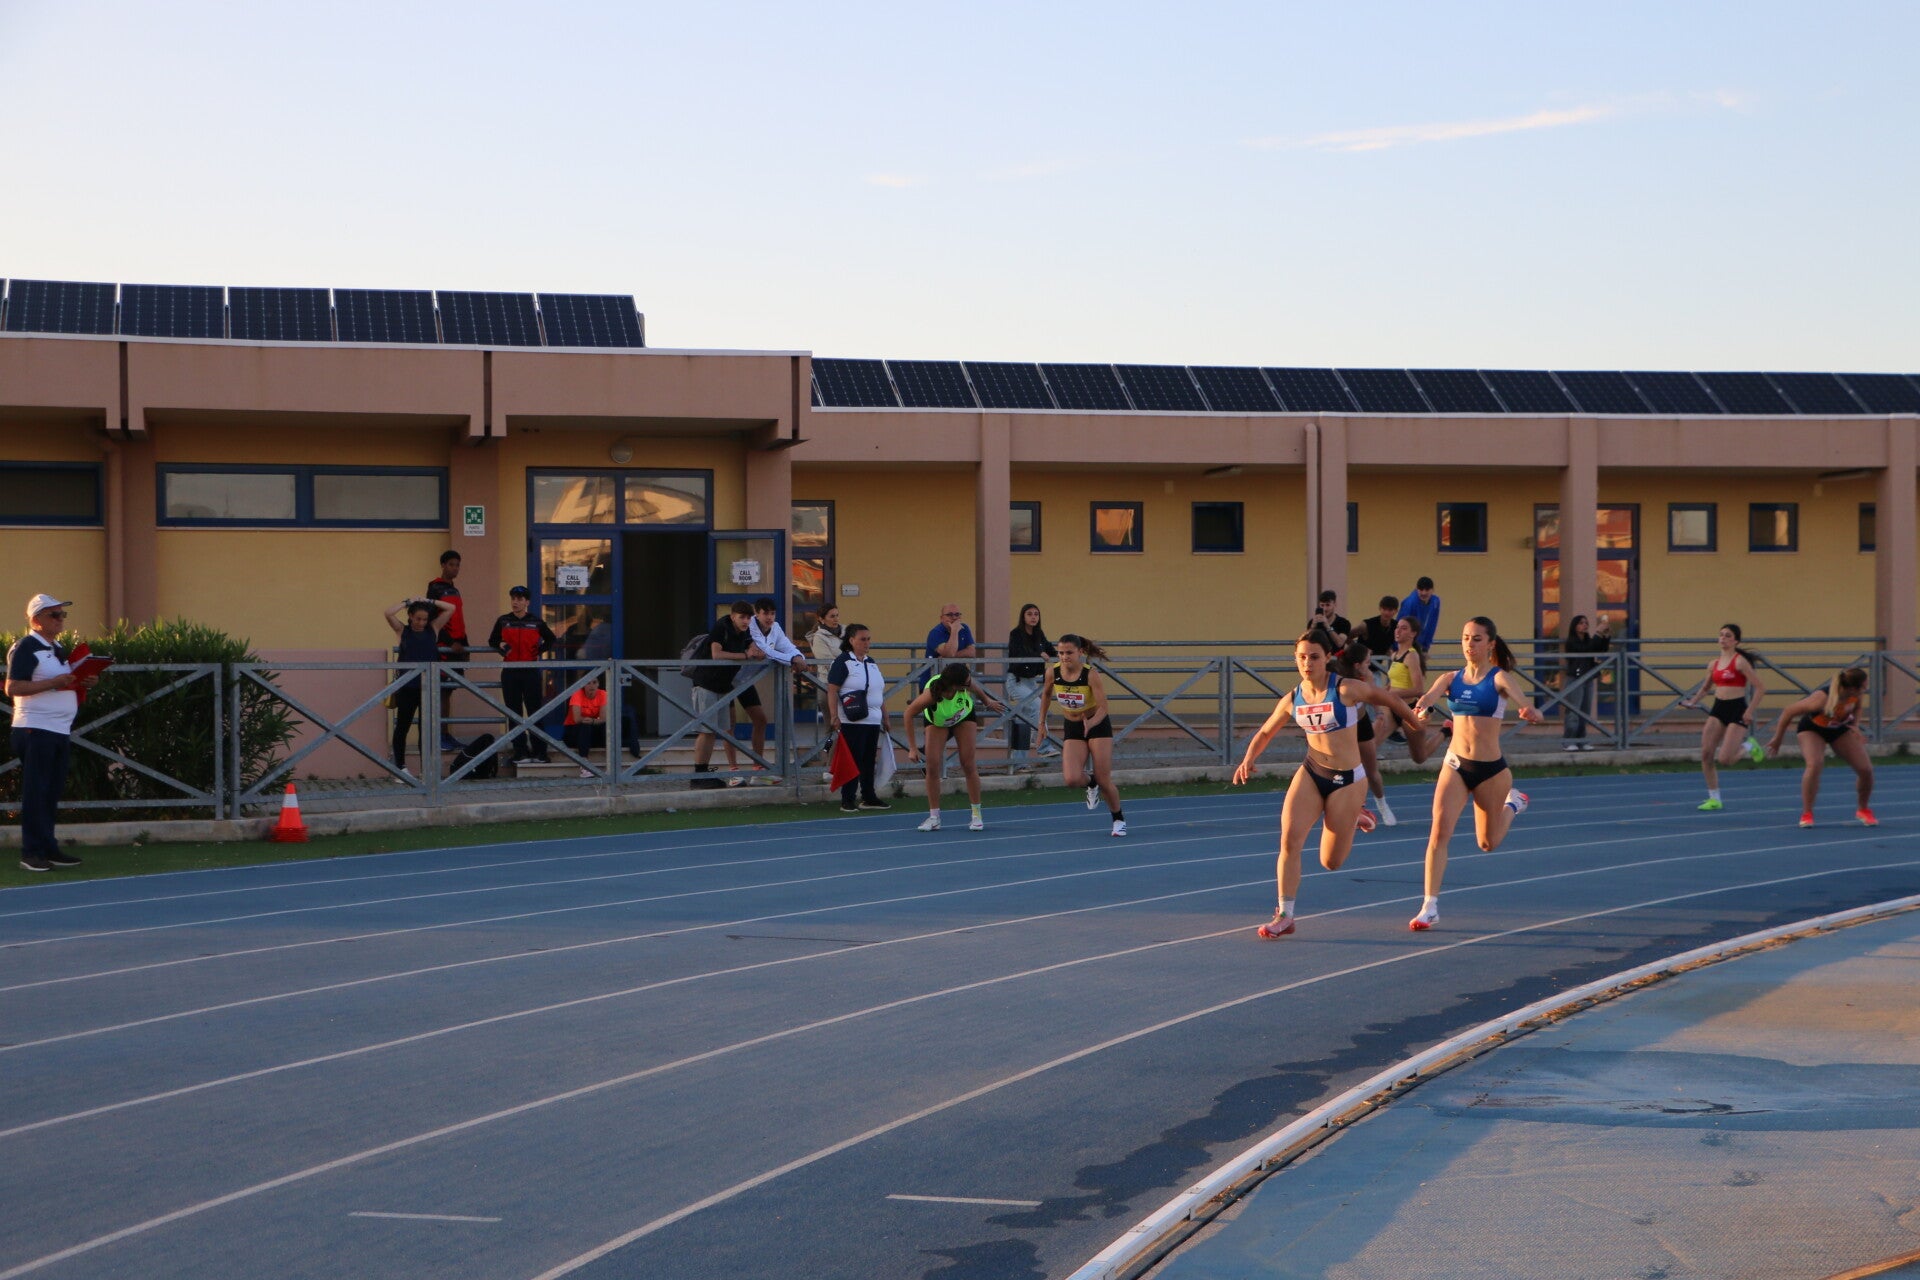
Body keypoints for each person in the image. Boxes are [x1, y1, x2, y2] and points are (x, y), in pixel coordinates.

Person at [1232, 628, 1410, 938]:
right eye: (1301, 657)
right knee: (1289, 841)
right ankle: (1285, 914)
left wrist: (1415, 721)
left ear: (1327, 657)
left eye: (1314, 657)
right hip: (1313, 772)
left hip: (1348, 780)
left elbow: (1386, 697)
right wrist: (1248, 758)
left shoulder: (1345, 688)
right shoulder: (1293, 697)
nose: (1307, 663)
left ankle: (1354, 814)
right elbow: (1266, 731)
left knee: (1331, 862)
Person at [1407, 616, 1547, 931]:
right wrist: (1421, 710)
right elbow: (1427, 698)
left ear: (1490, 644)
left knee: (1487, 843)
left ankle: (1514, 803)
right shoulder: (1450, 678)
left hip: (1491, 771)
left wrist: (1530, 711)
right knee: (1438, 833)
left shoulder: (1499, 678)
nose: (1470, 644)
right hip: (1456, 765)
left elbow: (1524, 703)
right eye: (1466, 638)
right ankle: (1429, 906)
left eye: (1477, 639)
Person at [7, 594, 98, 872]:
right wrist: (53, 683)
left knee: (51, 792)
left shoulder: (56, 648)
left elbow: (63, 682)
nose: (60, 620)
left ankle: (48, 847)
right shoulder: (26, 647)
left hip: (58, 729)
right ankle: (31, 852)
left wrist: (84, 680)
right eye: (54, 615)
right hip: (35, 728)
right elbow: (13, 687)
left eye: (62, 615)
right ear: (36, 620)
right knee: (36, 792)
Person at [1764, 667, 1875, 828]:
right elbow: (1789, 711)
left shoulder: (1856, 694)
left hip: (1838, 729)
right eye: (1863, 687)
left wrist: (1855, 725)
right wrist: (1778, 738)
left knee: (1865, 769)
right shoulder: (1821, 699)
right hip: (1813, 729)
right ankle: (1807, 813)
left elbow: (1857, 708)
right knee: (1815, 764)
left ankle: (1863, 809)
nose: (1865, 690)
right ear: (1852, 688)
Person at [1039, 634, 1127, 836]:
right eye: (1061, 653)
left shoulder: (1090, 674)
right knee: (1071, 779)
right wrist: (1041, 723)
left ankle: (1118, 819)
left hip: (1097, 725)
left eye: (1069, 653)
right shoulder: (1052, 672)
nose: (1064, 657)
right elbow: (1046, 694)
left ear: (1080, 652)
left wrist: (1092, 723)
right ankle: (1091, 782)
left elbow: (1103, 707)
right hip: (1072, 726)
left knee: (1105, 779)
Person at [1677, 623, 1767, 811]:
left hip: (1737, 709)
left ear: (1736, 641)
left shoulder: (1740, 662)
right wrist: (1692, 702)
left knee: (1726, 760)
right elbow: (1705, 688)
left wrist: (1749, 711)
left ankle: (1750, 745)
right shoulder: (1713, 664)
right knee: (1706, 754)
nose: (1723, 638)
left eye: (1728, 635)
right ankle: (1714, 798)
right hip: (1718, 709)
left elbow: (1760, 688)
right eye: (1721, 635)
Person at [904, 662, 1002, 831]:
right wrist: (912, 748)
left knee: (968, 763)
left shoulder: (966, 683)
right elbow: (908, 714)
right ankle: (934, 817)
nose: (970, 681)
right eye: (967, 680)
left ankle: (976, 815)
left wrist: (987, 701)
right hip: (938, 721)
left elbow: (976, 687)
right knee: (932, 766)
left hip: (963, 716)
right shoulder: (931, 695)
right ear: (955, 685)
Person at [689, 601, 769, 787]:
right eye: (742, 617)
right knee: (707, 730)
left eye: (748, 618)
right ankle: (700, 775)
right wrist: (746, 655)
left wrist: (758, 652)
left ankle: (703, 774)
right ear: (733, 616)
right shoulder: (722, 627)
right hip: (707, 683)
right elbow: (716, 654)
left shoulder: (748, 631)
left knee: (715, 730)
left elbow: (756, 649)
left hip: (725, 685)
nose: (746, 621)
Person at [384, 595, 456, 779]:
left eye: (424, 619)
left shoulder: (433, 628)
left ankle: (426, 770)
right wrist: (406, 602)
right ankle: (400, 769)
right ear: (410, 616)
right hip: (407, 687)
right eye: (418, 619)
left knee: (426, 730)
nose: (421, 623)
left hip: (428, 689)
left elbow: (451, 608)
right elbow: (388, 613)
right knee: (403, 727)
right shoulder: (403, 630)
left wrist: (429, 601)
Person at [826, 623, 892, 812]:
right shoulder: (843, 662)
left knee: (868, 760)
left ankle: (868, 796)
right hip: (853, 720)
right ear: (851, 640)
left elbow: (878, 693)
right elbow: (832, 690)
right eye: (862, 639)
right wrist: (834, 716)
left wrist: (885, 717)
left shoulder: (871, 662)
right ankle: (847, 798)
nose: (866, 643)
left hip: (873, 720)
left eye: (868, 639)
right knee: (852, 760)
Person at [488, 586, 557, 765]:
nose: (515, 602)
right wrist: (500, 645)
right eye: (513, 598)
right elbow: (492, 640)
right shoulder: (503, 620)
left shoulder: (536, 622)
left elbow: (551, 639)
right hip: (510, 671)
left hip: (530, 671)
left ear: (527, 602)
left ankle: (540, 752)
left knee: (535, 711)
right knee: (514, 713)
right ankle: (520, 751)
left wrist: (538, 650)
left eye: (519, 599)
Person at [426, 550, 470, 751]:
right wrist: (449, 642)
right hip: (443, 649)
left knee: (448, 692)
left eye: (458, 565)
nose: (455, 568)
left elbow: (459, 619)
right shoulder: (434, 588)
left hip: (457, 649)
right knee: (440, 692)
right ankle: (437, 736)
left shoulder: (456, 590)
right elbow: (432, 620)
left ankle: (445, 734)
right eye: (451, 564)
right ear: (443, 565)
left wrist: (465, 645)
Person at [1005, 603, 1058, 764]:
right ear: (1023, 616)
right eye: (1029, 614)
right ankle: (1043, 747)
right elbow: (1018, 653)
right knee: (1039, 708)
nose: (1033, 617)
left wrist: (1064, 655)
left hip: (1031, 681)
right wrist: (1039, 654)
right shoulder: (1016, 634)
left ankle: (1019, 763)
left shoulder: (1039, 634)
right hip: (1016, 681)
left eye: (1036, 614)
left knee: (1025, 720)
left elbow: (1051, 650)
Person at [1559, 613, 1613, 751]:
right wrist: (1598, 633)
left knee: (1585, 711)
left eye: (1586, 623)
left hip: (1588, 677)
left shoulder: (1588, 640)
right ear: (1574, 626)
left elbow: (1601, 649)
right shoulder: (1571, 641)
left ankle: (1581, 740)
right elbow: (1585, 650)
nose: (1584, 625)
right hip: (1575, 678)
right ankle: (1568, 741)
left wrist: (1606, 636)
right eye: (1581, 623)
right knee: (1573, 711)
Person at [565, 674, 610, 777]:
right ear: (583, 685)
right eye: (588, 683)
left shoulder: (603, 694)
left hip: (591, 732)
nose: (591, 686)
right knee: (585, 725)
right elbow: (577, 719)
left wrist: (593, 721)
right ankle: (584, 766)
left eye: (594, 682)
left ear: (598, 684)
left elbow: (603, 718)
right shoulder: (577, 694)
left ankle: (611, 765)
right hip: (572, 733)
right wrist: (593, 721)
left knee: (607, 726)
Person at [1396, 576, 1442, 654]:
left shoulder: (1435, 602)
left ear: (1432, 590)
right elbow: (1401, 626)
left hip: (1419, 644)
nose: (1424, 593)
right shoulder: (1410, 603)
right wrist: (1399, 648)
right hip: (1406, 644)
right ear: (1417, 589)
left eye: (1427, 590)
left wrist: (1426, 647)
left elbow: (1432, 625)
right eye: (1421, 589)